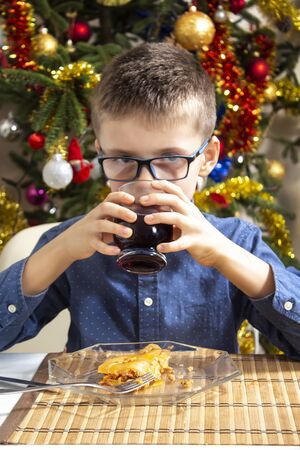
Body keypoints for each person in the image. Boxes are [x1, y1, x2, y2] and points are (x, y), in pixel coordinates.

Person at [0, 43, 299, 357]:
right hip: (96, 405)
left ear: (207, 158)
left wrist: (226, 255)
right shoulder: (72, 245)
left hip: (204, 406)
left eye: (170, 159)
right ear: (100, 153)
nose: (145, 183)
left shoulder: (236, 241)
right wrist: (59, 250)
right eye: (122, 160)